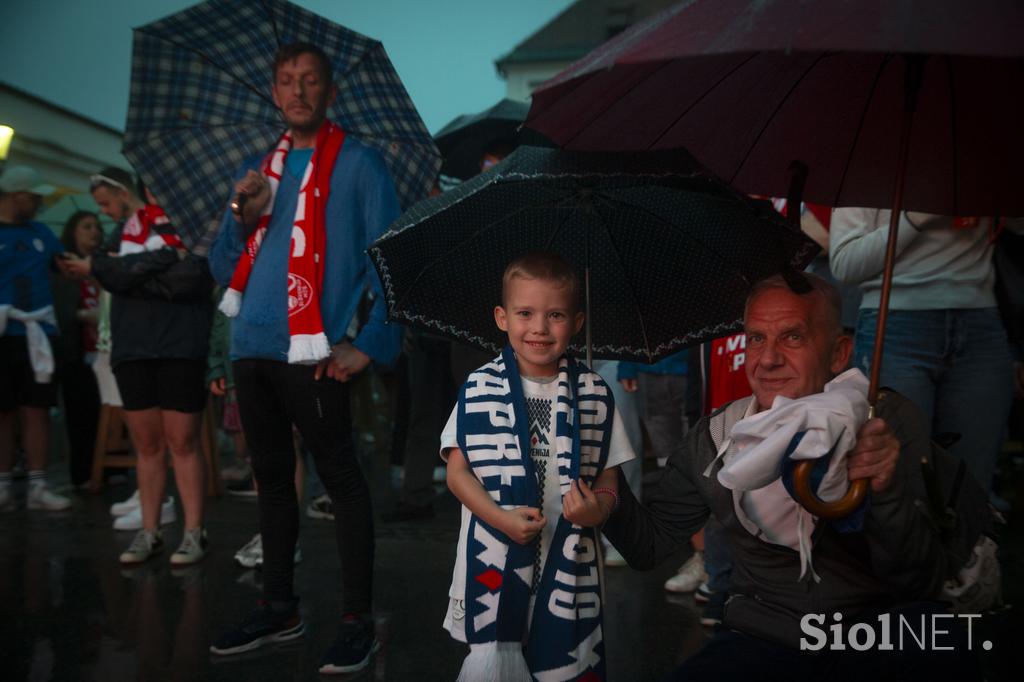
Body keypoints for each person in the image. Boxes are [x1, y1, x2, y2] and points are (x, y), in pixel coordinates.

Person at [604, 273, 982, 681]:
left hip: (871, 632)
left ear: (839, 353)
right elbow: (646, 546)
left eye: (792, 337)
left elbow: (918, 583)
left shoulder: (881, 423)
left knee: (939, 640)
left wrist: (886, 492)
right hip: (762, 637)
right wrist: (600, 470)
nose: (767, 359)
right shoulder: (717, 438)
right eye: (755, 339)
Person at [206, 42, 402, 674]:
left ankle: (356, 621)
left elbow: (394, 264)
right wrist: (243, 214)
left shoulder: (361, 165)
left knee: (342, 482)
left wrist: (369, 345)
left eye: (310, 81)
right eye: (287, 81)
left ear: (328, 91)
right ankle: (279, 605)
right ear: (274, 92)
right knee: (271, 483)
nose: (298, 91)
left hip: (314, 349)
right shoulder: (259, 169)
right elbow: (218, 266)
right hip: (251, 347)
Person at [442, 252, 635, 680]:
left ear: (578, 322)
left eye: (556, 315)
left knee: (564, 666)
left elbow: (608, 474)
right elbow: (457, 473)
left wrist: (599, 509)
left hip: (568, 563)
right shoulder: (478, 388)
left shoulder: (594, 393)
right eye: (525, 313)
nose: (539, 328)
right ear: (502, 317)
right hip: (493, 560)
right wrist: (500, 519)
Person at [60, 167, 213, 564]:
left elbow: (190, 281)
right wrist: (163, 258)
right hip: (133, 348)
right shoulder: (126, 227)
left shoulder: (196, 226)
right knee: (147, 445)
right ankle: (151, 532)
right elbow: (103, 269)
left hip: (180, 345)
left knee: (182, 442)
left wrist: (130, 274)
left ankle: (194, 532)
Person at [830, 209, 1017, 508]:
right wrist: (915, 218)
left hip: (979, 319)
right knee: (899, 482)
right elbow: (845, 265)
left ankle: (969, 553)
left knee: (971, 486)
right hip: (894, 323)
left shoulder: (983, 162)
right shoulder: (867, 166)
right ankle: (910, 555)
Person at [0, 165, 71, 512]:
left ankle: (38, 484)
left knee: (37, 408)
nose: (40, 203)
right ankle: (2, 484)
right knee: (3, 411)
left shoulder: (42, 232)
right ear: (17, 195)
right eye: (35, 197)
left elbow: (68, 266)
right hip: (3, 331)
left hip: (39, 331)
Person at [50, 210, 103, 488]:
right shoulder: (63, 268)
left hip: (104, 349)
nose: (93, 232)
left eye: (96, 227)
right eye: (86, 226)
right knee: (81, 412)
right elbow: (62, 308)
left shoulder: (104, 262)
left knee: (106, 410)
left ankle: (109, 469)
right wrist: (83, 316)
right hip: (76, 350)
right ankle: (83, 472)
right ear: (73, 231)